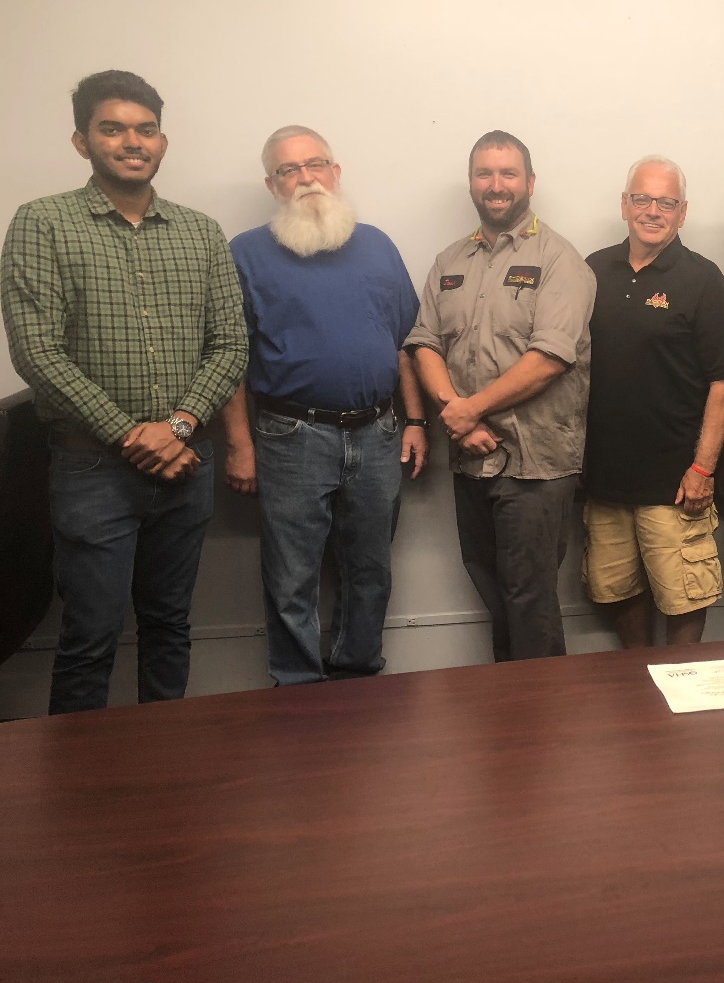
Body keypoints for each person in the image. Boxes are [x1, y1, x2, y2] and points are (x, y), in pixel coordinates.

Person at [0, 70, 247, 713]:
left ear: (162, 141)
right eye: (112, 129)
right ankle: (78, 797)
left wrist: (181, 425)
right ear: (82, 141)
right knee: (90, 637)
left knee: (169, 626)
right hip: (91, 469)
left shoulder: (201, 232)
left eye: (146, 129)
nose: (132, 142)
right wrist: (135, 435)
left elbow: (231, 345)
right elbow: (37, 352)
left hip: (186, 464)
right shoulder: (43, 224)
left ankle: (163, 781)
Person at [218, 125, 426, 686]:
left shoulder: (378, 244)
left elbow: (405, 342)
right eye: (290, 169)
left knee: (371, 571)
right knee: (291, 578)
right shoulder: (244, 253)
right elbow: (229, 359)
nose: (306, 177)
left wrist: (416, 422)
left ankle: (359, 678)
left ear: (336, 172)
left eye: (316, 164)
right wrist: (240, 446)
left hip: (379, 433)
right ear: (271, 183)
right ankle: (298, 690)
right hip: (291, 436)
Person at [405, 130, 594, 662]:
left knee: (528, 601)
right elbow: (423, 343)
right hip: (471, 458)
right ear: (471, 183)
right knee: (492, 589)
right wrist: (454, 412)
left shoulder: (560, 260)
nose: (496, 185)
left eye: (508, 173)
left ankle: (540, 729)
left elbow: (550, 359)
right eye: (484, 174)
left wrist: (470, 409)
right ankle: (511, 725)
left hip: (536, 465)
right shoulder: (450, 260)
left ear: (530, 182)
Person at [584, 156, 724, 647]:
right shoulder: (592, 271)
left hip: (675, 483)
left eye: (666, 202)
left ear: (682, 212)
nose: (652, 210)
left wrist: (703, 470)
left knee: (684, 599)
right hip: (605, 481)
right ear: (624, 204)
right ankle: (639, 692)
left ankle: (680, 702)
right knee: (617, 591)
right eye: (642, 198)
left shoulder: (702, 280)